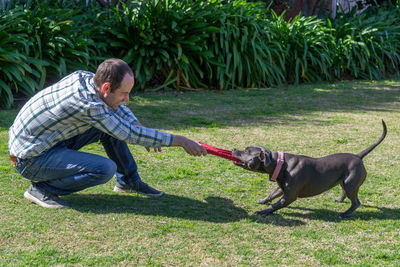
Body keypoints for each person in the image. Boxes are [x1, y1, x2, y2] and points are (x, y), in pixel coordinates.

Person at [8, 58, 207, 209]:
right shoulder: (88, 106)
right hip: (29, 158)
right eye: (124, 94)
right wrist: (180, 141)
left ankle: (129, 182)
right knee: (104, 168)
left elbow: (118, 114)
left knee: (111, 125)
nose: (127, 99)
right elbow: (129, 134)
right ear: (106, 87)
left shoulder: (86, 78)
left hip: (44, 142)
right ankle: (41, 190)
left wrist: (134, 122)